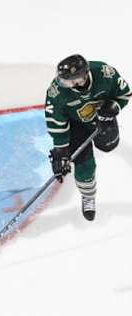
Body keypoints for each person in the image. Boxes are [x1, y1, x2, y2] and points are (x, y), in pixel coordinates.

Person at [45, 54, 131, 221]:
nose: (62, 83)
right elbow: (55, 121)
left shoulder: (104, 73)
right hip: (75, 125)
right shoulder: (57, 92)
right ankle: (88, 196)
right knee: (85, 166)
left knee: (109, 146)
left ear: (82, 77)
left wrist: (115, 106)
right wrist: (60, 150)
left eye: (68, 80)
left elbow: (125, 93)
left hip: (102, 118)